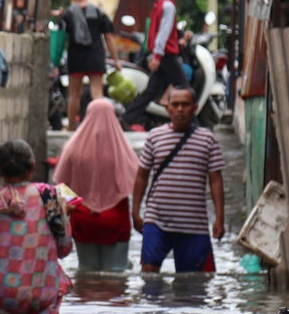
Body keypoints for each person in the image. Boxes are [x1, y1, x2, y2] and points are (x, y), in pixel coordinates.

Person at [0, 139, 73, 314]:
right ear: (32, 166)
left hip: (3, 292)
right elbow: (64, 248)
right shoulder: (51, 196)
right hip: (44, 289)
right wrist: (66, 215)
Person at [131, 86, 225, 273]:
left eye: (185, 105)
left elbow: (216, 180)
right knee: (149, 276)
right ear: (167, 108)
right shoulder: (155, 137)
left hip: (193, 224)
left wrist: (220, 219)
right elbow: (142, 175)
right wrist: (135, 212)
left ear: (195, 108)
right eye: (175, 105)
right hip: (156, 220)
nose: (180, 109)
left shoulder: (207, 139)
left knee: (192, 283)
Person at [52, 99, 139, 272]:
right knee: (116, 272)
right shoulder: (121, 149)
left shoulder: (72, 148)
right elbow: (137, 182)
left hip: (83, 217)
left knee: (86, 271)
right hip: (115, 218)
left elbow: (59, 186)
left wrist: (76, 204)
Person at [119, 0, 188, 130]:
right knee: (184, 88)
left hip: (161, 54)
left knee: (151, 91)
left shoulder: (159, 6)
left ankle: (125, 118)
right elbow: (163, 33)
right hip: (166, 55)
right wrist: (157, 56)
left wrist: (156, 54)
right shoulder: (168, 6)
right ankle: (193, 123)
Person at [60, 0, 122, 130]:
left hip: (75, 58)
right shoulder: (99, 13)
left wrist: (56, 60)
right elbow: (108, 37)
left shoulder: (68, 14)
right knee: (97, 94)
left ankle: (70, 127)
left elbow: (60, 38)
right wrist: (116, 59)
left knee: (74, 95)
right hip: (95, 57)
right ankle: (99, 126)